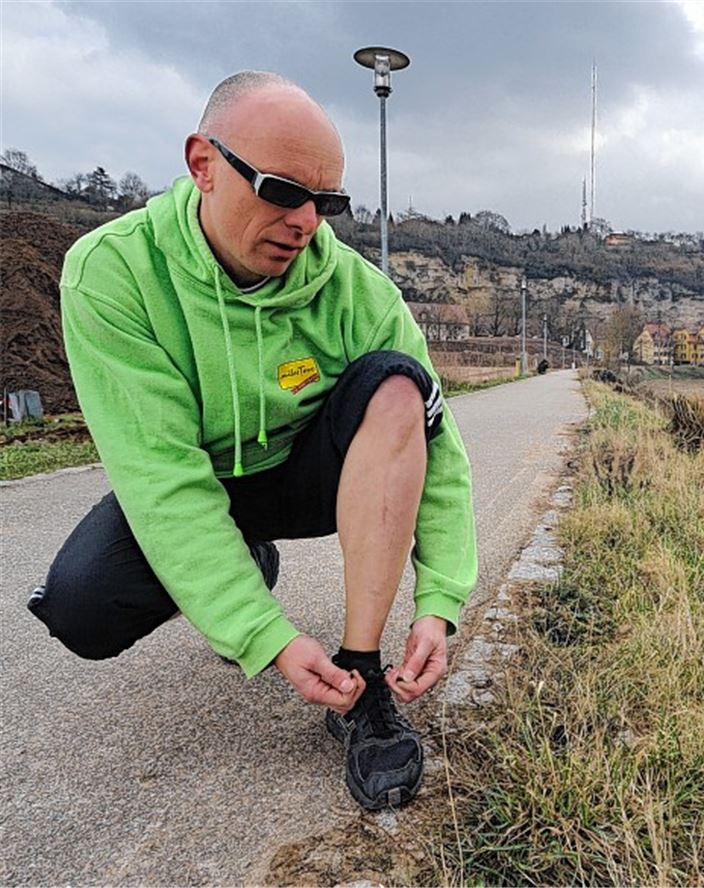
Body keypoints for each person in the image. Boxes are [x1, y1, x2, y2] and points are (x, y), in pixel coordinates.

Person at [27, 71, 478, 811]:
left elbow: (440, 449)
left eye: (326, 203)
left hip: (312, 478)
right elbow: (162, 478)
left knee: (398, 384)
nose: (306, 221)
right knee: (81, 609)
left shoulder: (359, 293)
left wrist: (441, 599)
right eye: (280, 190)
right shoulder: (113, 275)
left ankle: (359, 686)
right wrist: (260, 633)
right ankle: (243, 562)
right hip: (205, 481)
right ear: (203, 164)